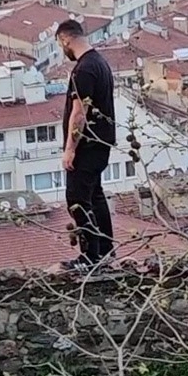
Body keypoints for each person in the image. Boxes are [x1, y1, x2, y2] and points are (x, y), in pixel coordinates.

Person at [57, 19, 116, 272]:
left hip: (87, 145)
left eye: (61, 45)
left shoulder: (83, 70)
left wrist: (70, 148)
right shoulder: (100, 63)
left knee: (77, 198)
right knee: (95, 195)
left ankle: (89, 257)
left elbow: (79, 113)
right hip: (101, 142)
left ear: (65, 39)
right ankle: (105, 250)